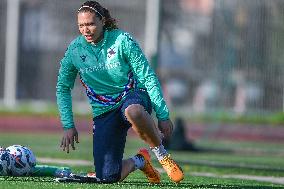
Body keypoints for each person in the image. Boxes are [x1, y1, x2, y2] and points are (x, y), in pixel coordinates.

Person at [56, 1, 184, 184]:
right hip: (104, 111)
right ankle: (140, 161)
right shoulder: (74, 51)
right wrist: (68, 125)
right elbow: (63, 87)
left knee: (133, 111)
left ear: (102, 21)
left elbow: (148, 77)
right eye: (81, 26)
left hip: (132, 95)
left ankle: (162, 154)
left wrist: (162, 115)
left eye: (91, 24)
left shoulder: (122, 40)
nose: (86, 30)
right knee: (107, 177)